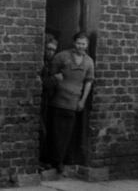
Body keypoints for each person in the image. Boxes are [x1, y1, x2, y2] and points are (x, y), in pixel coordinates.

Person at [46, 31, 94, 174]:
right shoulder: (62, 56)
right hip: (57, 101)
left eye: (83, 44)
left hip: (74, 103)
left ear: (87, 45)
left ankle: (62, 161)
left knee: (68, 133)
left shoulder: (89, 62)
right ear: (74, 43)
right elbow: (51, 74)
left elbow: (88, 82)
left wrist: (83, 101)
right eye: (78, 43)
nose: (81, 46)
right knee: (55, 132)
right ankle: (53, 160)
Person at [39, 34, 59, 167]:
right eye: (48, 49)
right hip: (38, 103)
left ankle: (43, 160)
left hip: (46, 103)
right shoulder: (40, 64)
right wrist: (55, 79)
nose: (51, 52)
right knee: (41, 131)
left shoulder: (50, 64)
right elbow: (40, 84)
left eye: (53, 50)